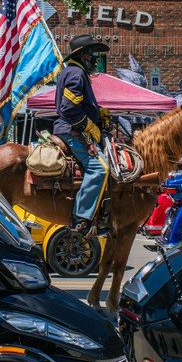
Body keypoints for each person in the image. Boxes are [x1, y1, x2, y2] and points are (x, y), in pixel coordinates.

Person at [54, 34, 111, 234]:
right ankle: (82, 217)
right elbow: (69, 108)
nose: (95, 57)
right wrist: (90, 127)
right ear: (83, 55)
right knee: (100, 169)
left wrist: (97, 114)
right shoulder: (76, 73)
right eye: (92, 52)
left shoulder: (72, 72)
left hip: (73, 128)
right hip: (73, 131)